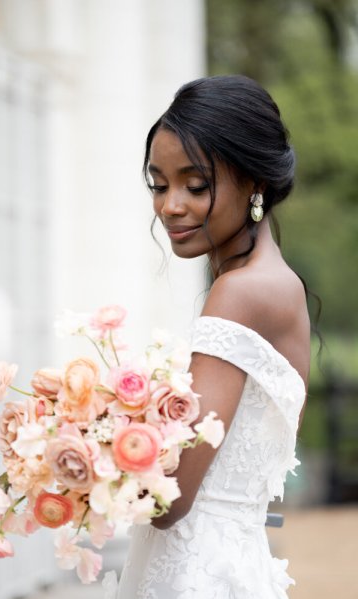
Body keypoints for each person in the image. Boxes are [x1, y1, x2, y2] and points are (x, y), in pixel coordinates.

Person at [111, 75, 310, 598]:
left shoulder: (242, 292)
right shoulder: (275, 285)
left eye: (195, 185)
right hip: (231, 561)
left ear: (255, 183)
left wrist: (88, 452)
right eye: (159, 183)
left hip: (198, 574)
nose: (171, 205)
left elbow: (170, 501)